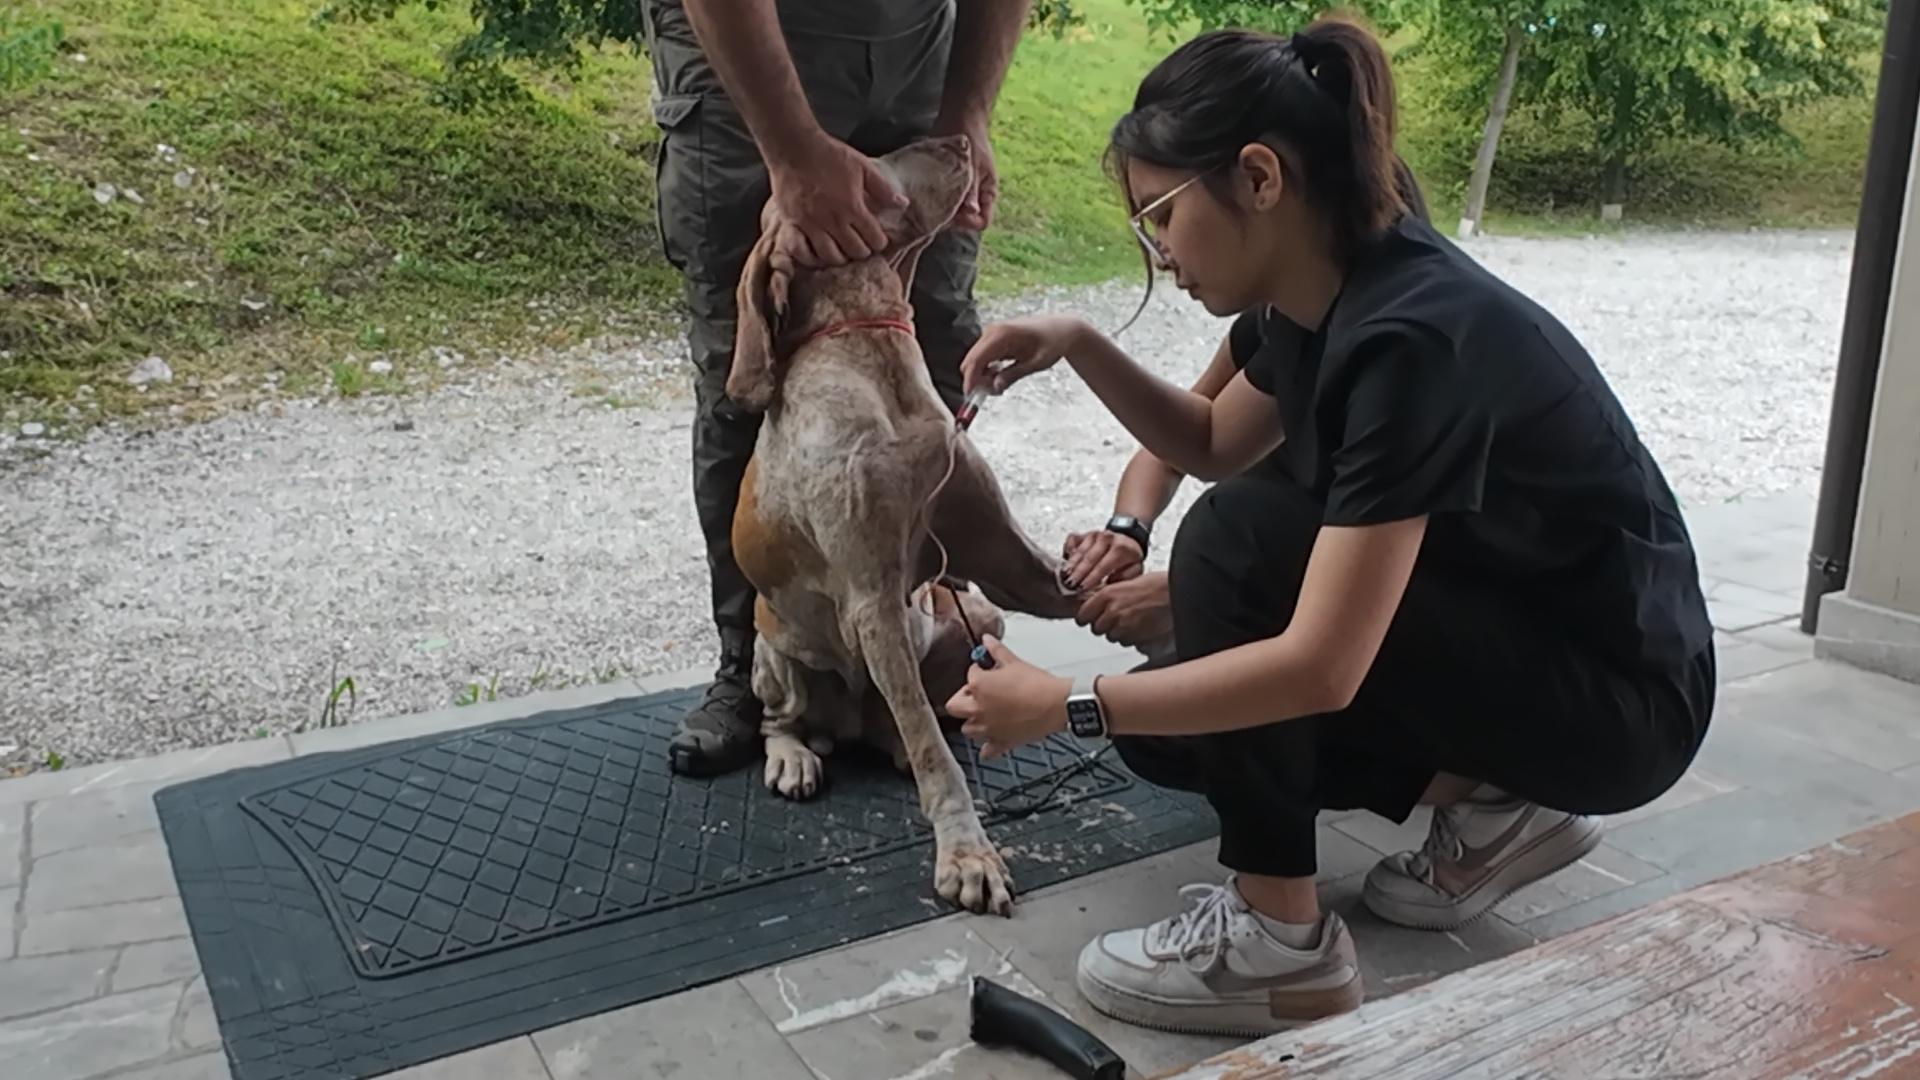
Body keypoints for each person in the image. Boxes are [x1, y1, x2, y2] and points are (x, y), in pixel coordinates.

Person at [945, 17, 1716, 1037]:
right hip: (1533, 646)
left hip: (1622, 702)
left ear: (1260, 177)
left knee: (1236, 547)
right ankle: (1497, 804)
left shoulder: (1413, 335)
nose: (1156, 252)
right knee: (1183, 739)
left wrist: (1066, 705)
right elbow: (1215, 436)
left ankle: (1280, 945)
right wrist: (1077, 342)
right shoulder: (1319, 299)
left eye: (1160, 215)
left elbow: (1318, 668)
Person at [640, 0, 1034, 775]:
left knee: (938, 342)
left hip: (921, 51)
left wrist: (967, 121)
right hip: (744, 63)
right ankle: (755, 669)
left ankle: (912, 638)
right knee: (750, 377)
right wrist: (789, 152)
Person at [1064, 160, 1430, 658]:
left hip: (1389, 641)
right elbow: (1185, 444)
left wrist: (1187, 593)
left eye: (1168, 215)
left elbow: (1367, 593)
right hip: (1301, 616)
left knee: (1235, 519)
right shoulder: (1284, 325)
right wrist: (1128, 529)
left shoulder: (1397, 359)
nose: (1164, 257)